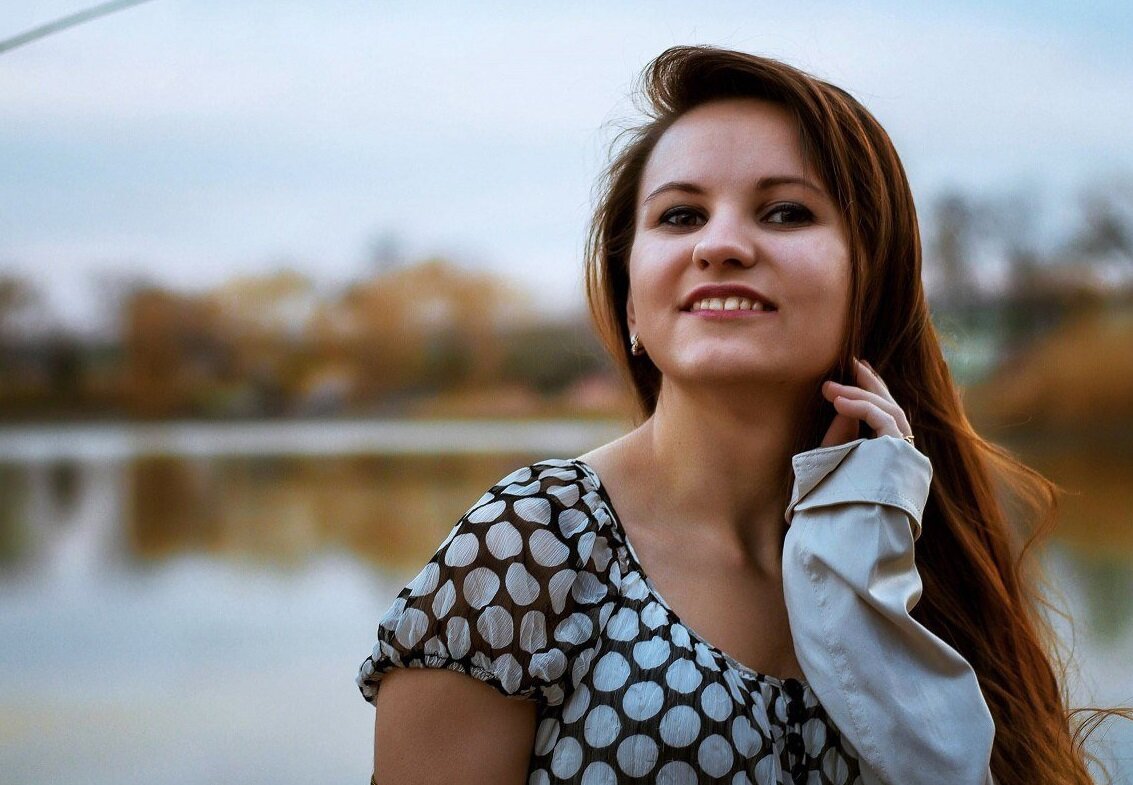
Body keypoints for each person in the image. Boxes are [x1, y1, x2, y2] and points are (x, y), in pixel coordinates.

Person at [358, 46, 1098, 785]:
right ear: (630, 301)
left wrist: (864, 559)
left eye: (786, 212)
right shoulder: (527, 549)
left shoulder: (913, 550)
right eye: (680, 215)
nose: (719, 245)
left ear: (872, 279)